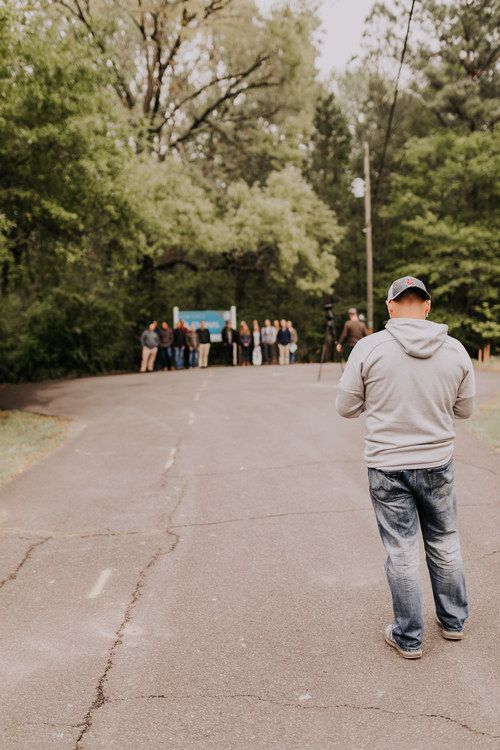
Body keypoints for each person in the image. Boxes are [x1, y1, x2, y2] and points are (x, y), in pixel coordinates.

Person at [335, 276, 475, 660]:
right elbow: (465, 409)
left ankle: (409, 637)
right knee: (445, 543)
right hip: (436, 462)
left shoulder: (369, 348)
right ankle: (453, 622)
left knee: (401, 551)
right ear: (427, 306)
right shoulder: (455, 350)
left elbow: (345, 408)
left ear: (390, 306)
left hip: (387, 465)